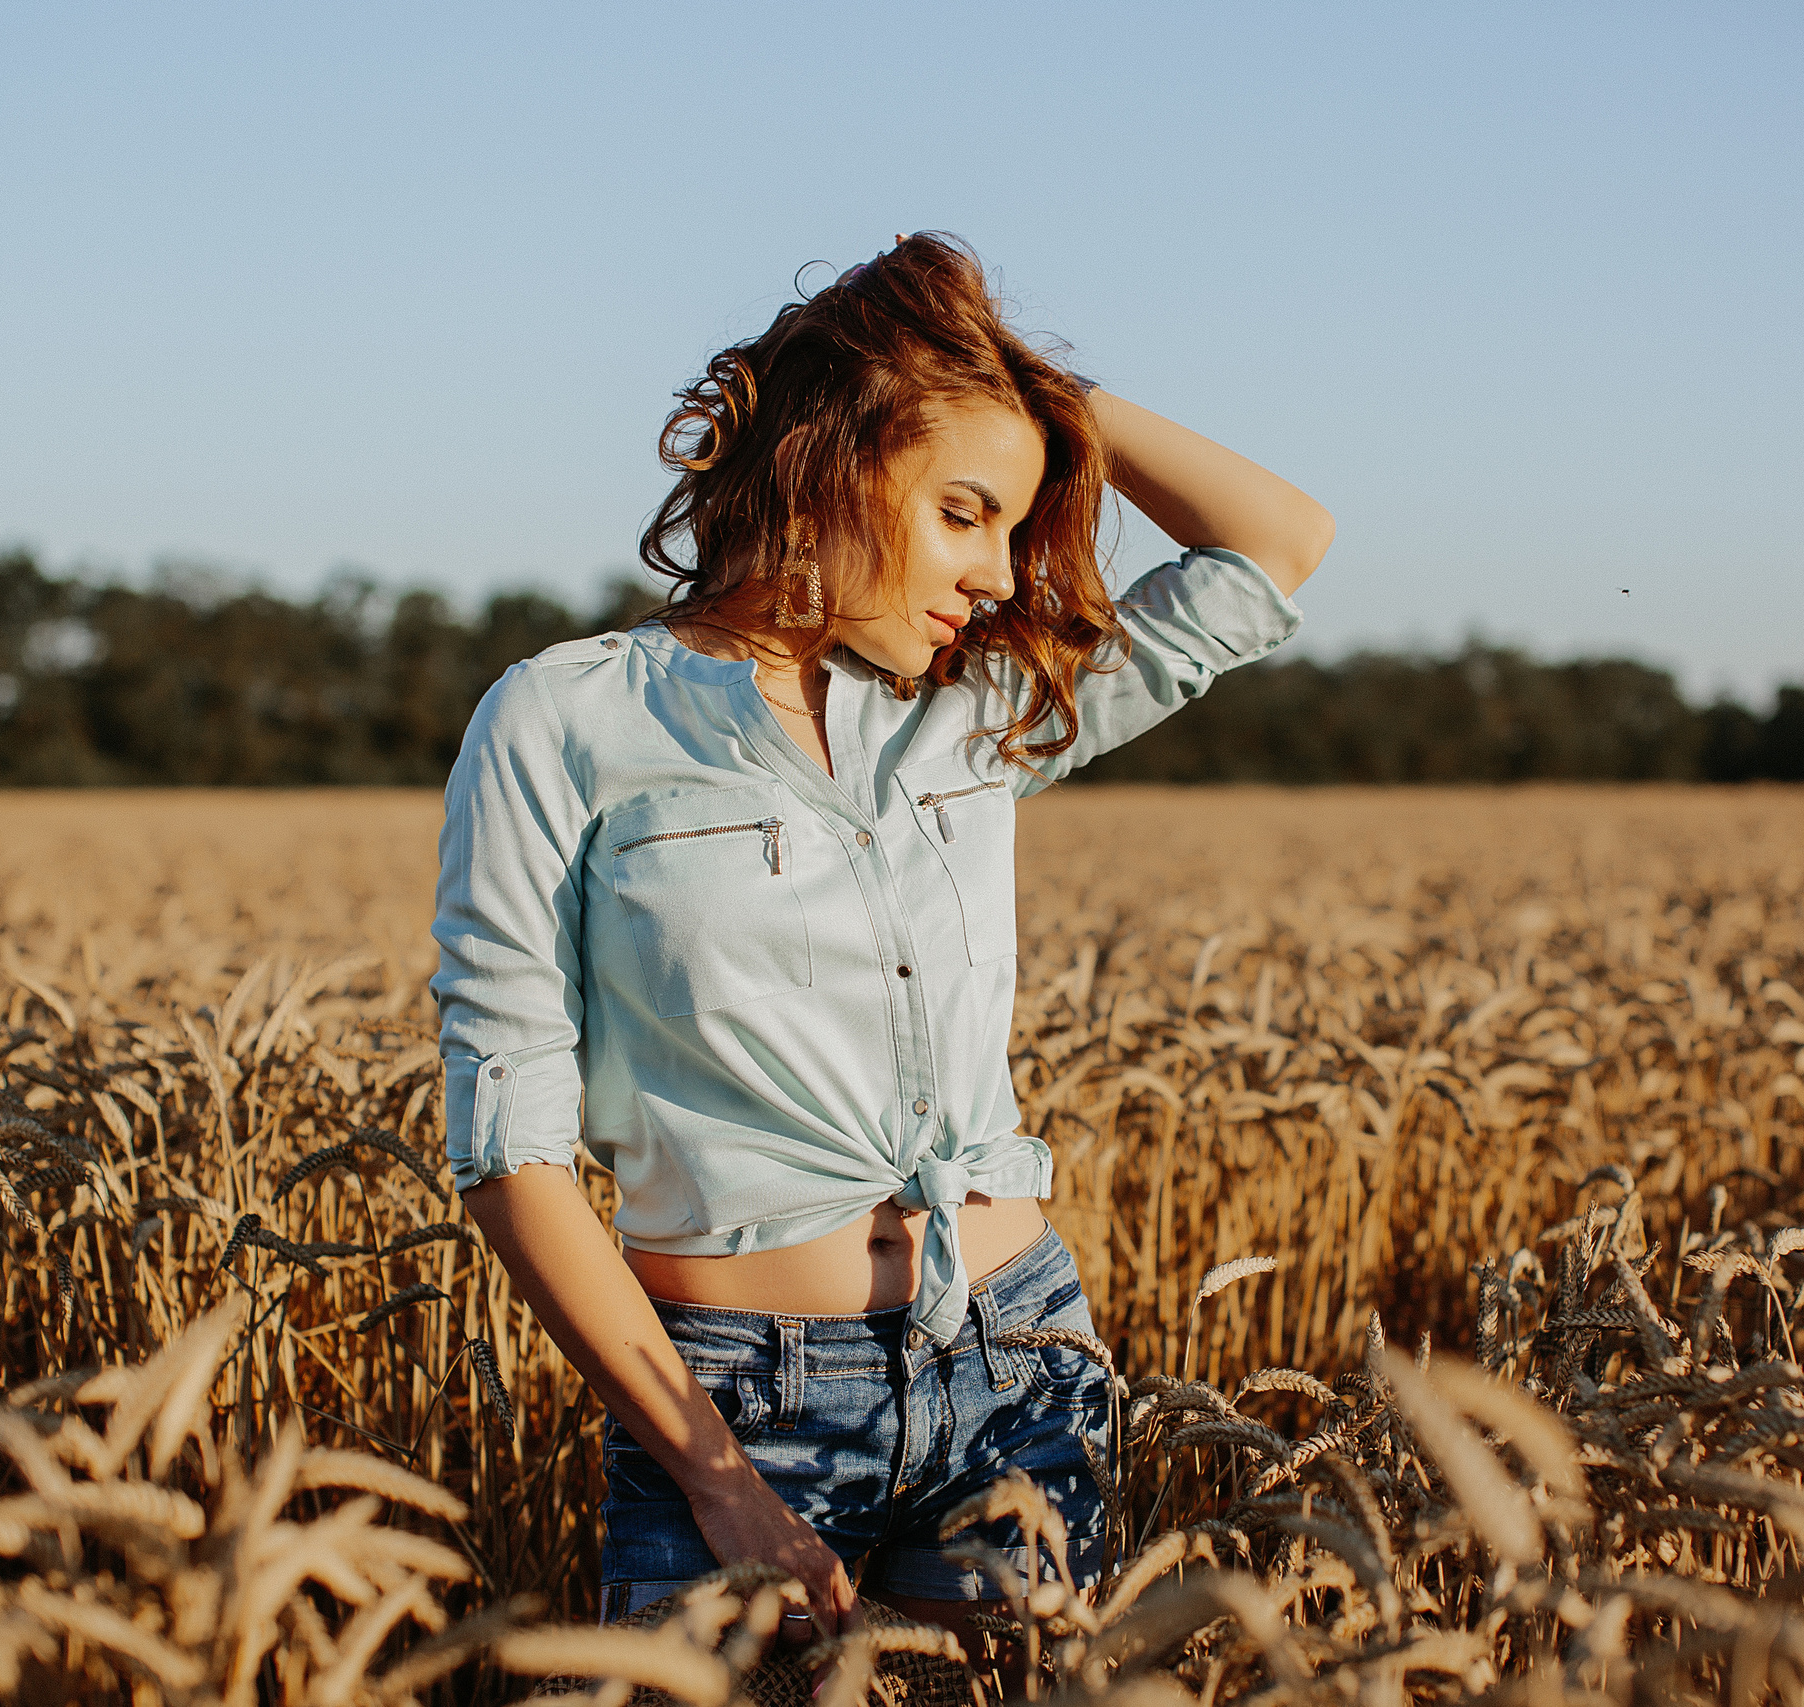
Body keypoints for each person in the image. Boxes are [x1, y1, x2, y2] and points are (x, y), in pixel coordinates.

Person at [431, 233, 1332, 1647]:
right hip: (737, 1404)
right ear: (830, 459)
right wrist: (717, 1482)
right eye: (964, 511)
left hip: (1019, 1368)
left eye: (1012, 528)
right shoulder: (565, 722)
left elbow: (1272, 547)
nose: (994, 573)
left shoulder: (978, 713)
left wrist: (1041, 401)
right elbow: (510, 1143)